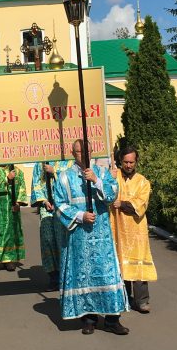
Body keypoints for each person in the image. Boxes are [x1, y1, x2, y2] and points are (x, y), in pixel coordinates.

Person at [54, 139, 129, 335]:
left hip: (102, 235)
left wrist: (96, 180)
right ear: (73, 154)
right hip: (79, 237)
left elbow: (112, 196)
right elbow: (59, 205)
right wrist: (80, 216)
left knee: (107, 275)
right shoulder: (64, 177)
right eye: (79, 152)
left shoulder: (102, 172)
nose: (84, 155)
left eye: (87, 151)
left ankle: (112, 319)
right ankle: (88, 319)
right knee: (84, 276)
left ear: (92, 151)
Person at [110, 145, 157, 313]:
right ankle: (124, 299)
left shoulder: (143, 182)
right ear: (120, 161)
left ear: (136, 162)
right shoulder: (114, 177)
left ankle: (141, 301)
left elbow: (141, 204)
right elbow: (104, 193)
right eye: (125, 162)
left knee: (138, 264)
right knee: (119, 264)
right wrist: (108, 179)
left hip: (136, 230)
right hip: (116, 227)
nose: (128, 165)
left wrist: (122, 204)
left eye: (131, 162)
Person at [0, 163, 26, 271]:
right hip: (0, 207)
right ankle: (2, 258)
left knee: (13, 232)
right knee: (1, 232)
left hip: (13, 207)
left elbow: (22, 188)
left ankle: (10, 259)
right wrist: (7, 179)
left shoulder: (17, 171)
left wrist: (18, 203)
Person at [30, 160, 60, 289]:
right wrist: (44, 200)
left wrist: (55, 172)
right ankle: (53, 276)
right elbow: (36, 183)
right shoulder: (39, 164)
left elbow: (71, 178)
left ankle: (65, 275)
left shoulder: (66, 161)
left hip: (64, 207)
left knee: (62, 241)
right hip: (46, 207)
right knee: (48, 240)